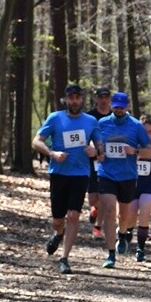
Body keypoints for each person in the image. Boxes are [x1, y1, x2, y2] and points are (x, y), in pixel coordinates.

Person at [32, 83, 103, 275]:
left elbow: (100, 146)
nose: (74, 101)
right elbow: (36, 141)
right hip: (58, 173)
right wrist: (52, 153)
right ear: (66, 99)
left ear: (82, 99)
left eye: (77, 97)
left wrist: (95, 151)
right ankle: (58, 233)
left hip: (80, 175)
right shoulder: (55, 118)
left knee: (73, 215)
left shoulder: (90, 121)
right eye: (71, 98)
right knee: (57, 219)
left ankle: (64, 258)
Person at [96, 92, 151, 269]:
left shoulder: (136, 126)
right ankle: (111, 253)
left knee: (124, 214)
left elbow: (149, 151)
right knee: (110, 209)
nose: (119, 109)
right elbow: (95, 144)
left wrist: (135, 151)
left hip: (128, 175)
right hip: (106, 174)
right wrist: (99, 153)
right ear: (112, 105)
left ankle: (122, 233)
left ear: (127, 106)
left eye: (122, 106)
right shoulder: (102, 123)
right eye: (116, 106)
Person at [125, 115, 151, 262]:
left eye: (150, 131)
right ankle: (128, 231)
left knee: (144, 215)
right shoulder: (131, 144)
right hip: (133, 184)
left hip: (150, 184)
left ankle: (140, 249)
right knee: (131, 214)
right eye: (144, 131)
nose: (147, 134)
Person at [85, 87, 113, 240]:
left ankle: (97, 227)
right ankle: (94, 209)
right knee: (93, 197)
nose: (103, 100)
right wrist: (94, 150)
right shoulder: (89, 116)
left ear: (109, 99)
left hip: (109, 160)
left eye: (106, 97)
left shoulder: (114, 116)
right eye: (100, 97)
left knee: (104, 193)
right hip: (92, 159)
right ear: (96, 99)